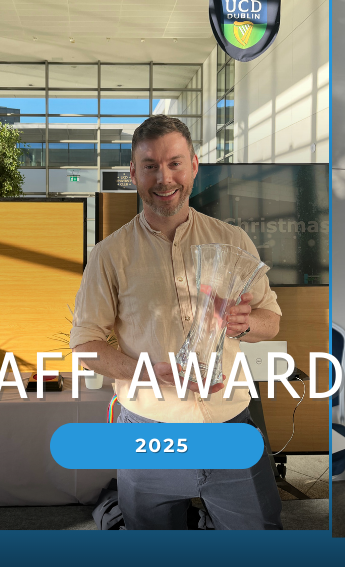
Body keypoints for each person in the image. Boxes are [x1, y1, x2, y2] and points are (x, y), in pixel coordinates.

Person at [69, 115, 284, 530]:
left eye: (174, 163)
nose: (164, 178)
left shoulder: (233, 240)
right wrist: (149, 373)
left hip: (229, 423)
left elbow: (271, 323)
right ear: (133, 173)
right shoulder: (109, 255)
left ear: (194, 166)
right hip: (148, 431)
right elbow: (85, 345)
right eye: (150, 165)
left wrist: (242, 322)